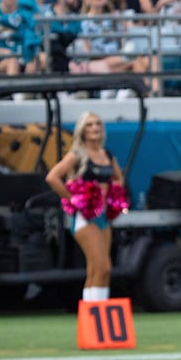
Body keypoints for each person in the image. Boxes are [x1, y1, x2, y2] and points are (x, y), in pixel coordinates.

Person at [45, 112, 129, 303]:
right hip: (85, 217)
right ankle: (96, 314)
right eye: (89, 125)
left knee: (99, 270)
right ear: (82, 130)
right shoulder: (77, 155)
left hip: (103, 218)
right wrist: (73, 198)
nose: (94, 128)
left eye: (98, 124)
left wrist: (114, 195)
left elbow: (118, 178)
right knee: (102, 267)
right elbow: (52, 177)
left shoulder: (107, 154)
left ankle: (96, 316)